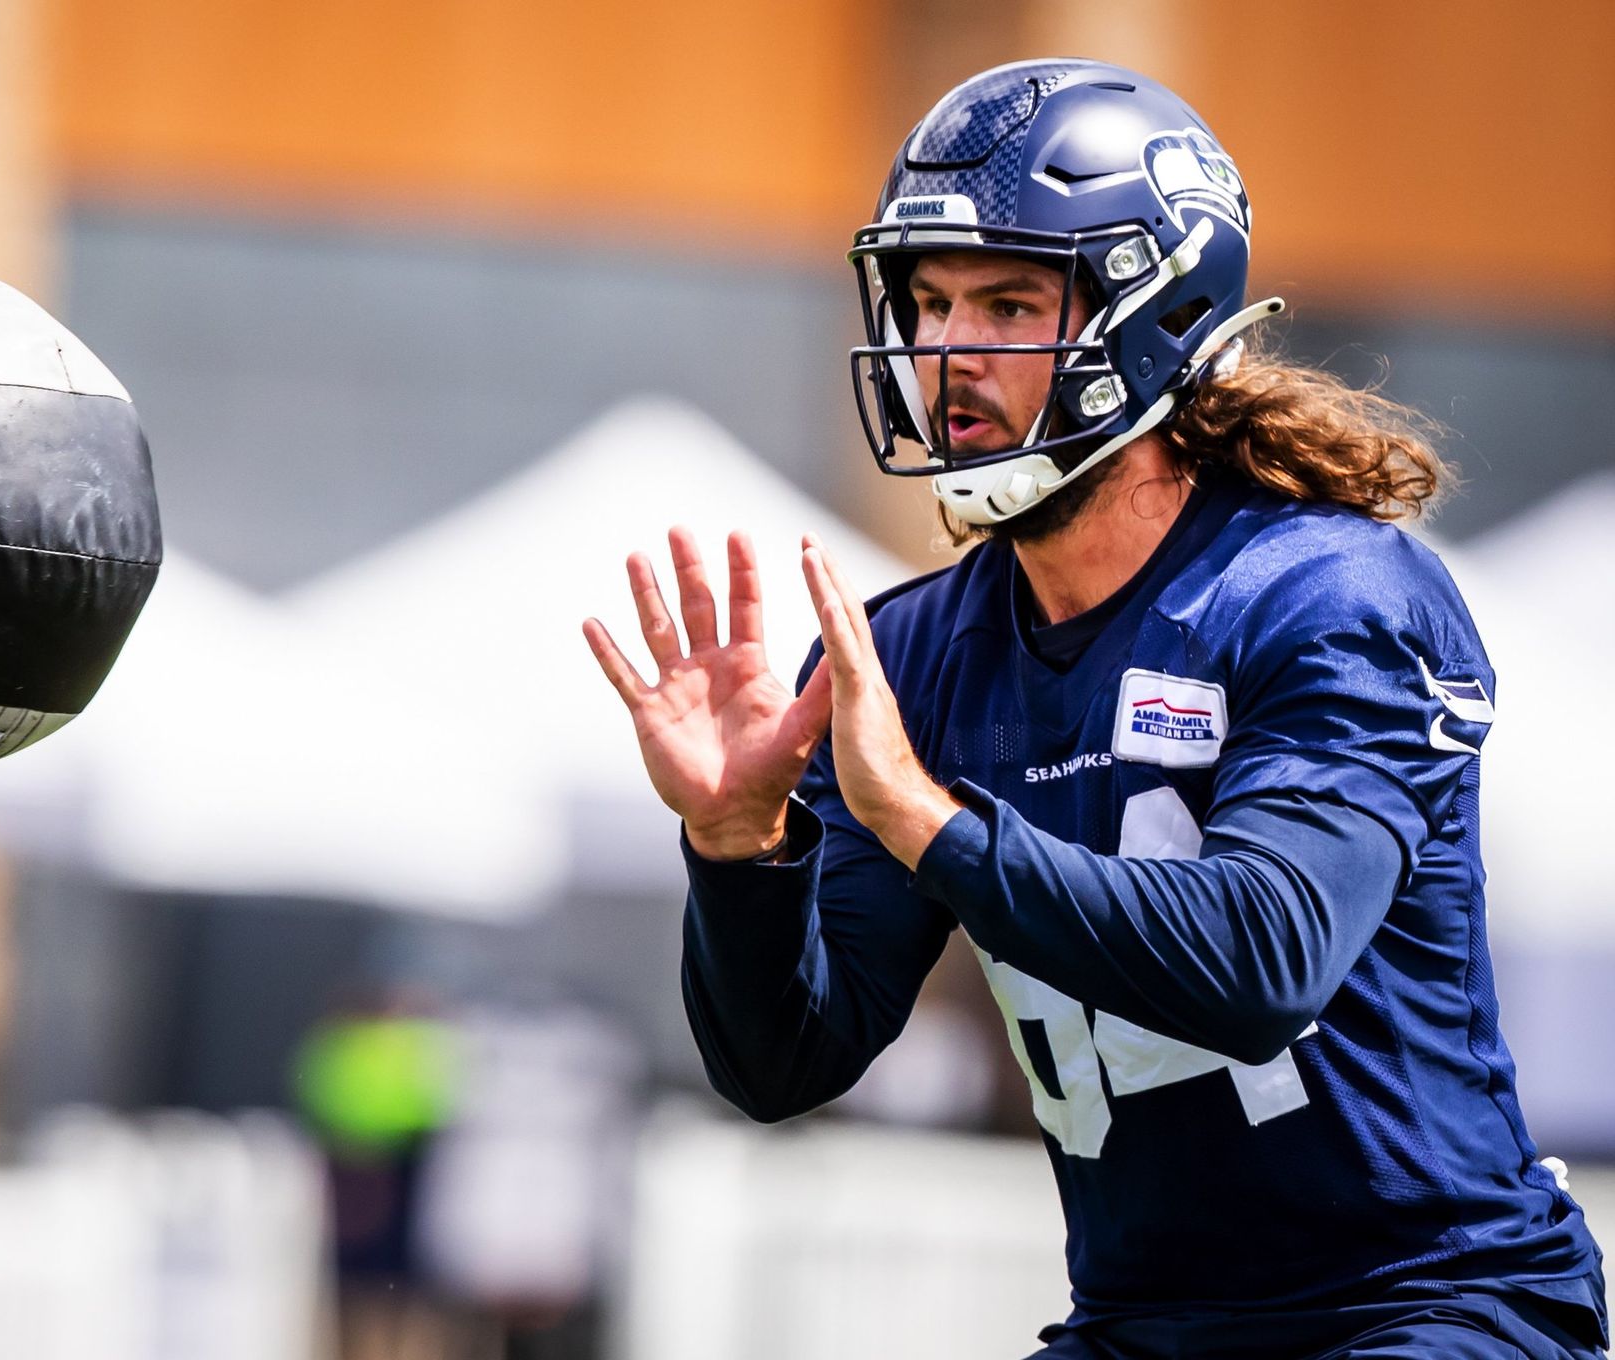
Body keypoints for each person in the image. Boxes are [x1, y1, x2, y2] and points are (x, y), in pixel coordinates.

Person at [582, 59, 1606, 1360]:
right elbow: (784, 1065)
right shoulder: (914, 653)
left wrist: (930, 823)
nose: (950, 352)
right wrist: (738, 849)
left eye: (1007, 302)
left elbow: (1260, 964)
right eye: (929, 301)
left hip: (1425, 1312)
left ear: (1155, 312)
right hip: (1143, 1327)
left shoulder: (1328, 594)